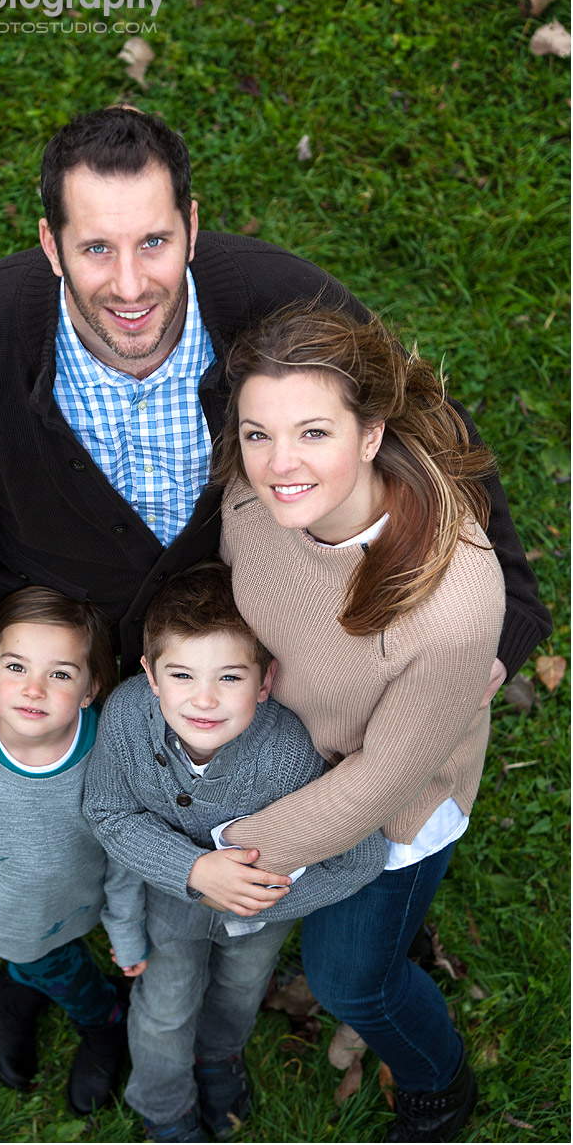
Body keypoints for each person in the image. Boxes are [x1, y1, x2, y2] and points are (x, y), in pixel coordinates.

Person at [0, 105, 551, 803]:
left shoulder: (283, 302)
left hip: (239, 624)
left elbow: (431, 430)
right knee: (49, 817)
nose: (130, 285)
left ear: (192, 229)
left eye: (153, 242)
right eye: (95, 249)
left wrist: (505, 615)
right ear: (51, 245)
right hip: (57, 631)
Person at [206, 303, 513, 1142]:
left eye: (312, 432)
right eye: (257, 433)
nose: (277, 466)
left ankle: (437, 1086)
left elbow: (381, 780)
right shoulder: (250, 494)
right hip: (283, 758)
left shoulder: (450, 607)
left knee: (350, 980)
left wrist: (227, 853)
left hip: (387, 803)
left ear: (370, 434)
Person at [83, 561, 388, 1143]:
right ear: (149, 674)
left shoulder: (292, 754)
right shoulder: (125, 717)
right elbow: (108, 812)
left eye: (229, 677)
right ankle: (165, 1109)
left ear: (265, 680)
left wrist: (267, 898)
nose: (203, 700)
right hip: (169, 905)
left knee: (240, 990)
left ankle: (219, 1057)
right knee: (166, 1008)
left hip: (260, 918)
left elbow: (361, 857)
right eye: (181, 675)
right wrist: (192, 869)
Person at [0, 586, 147, 1115]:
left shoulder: (110, 751)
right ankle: (103, 1021)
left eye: (60, 673)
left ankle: (13, 993)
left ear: (91, 688)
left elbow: (128, 847)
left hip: (77, 904)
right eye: (16, 666)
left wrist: (126, 929)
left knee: (45, 957)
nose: (33, 689)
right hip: (7, 915)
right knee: (52, 964)